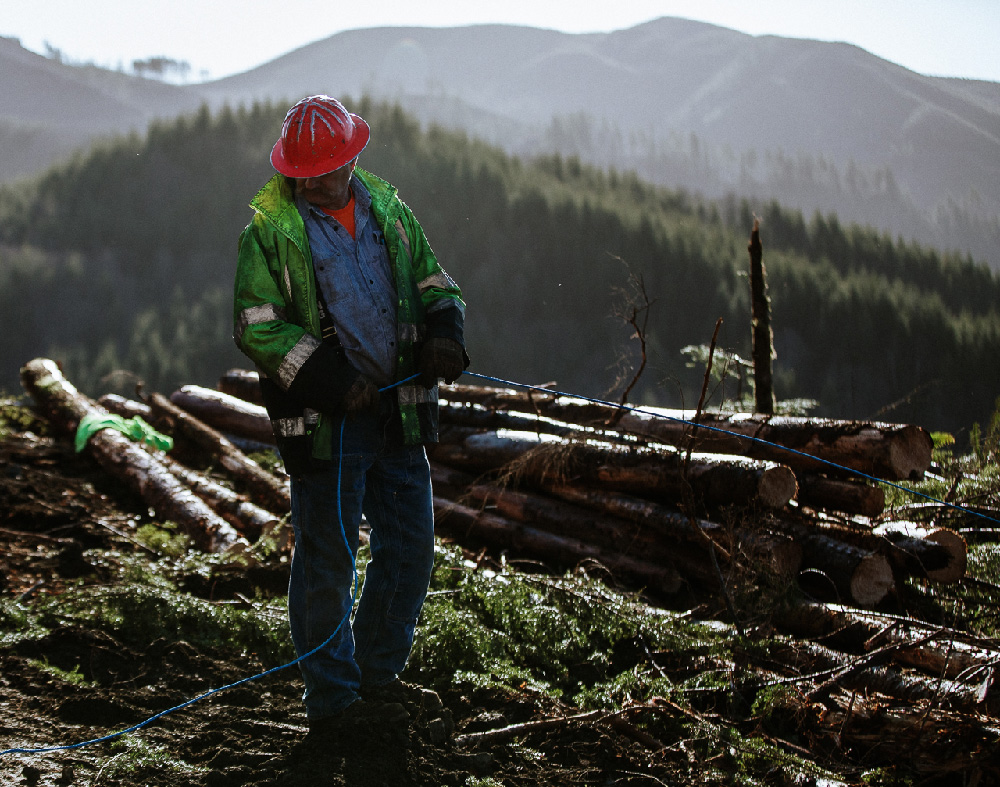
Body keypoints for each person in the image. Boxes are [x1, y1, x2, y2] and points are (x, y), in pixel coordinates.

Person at [232, 95, 468, 735]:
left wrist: (444, 329)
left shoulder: (388, 210)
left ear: (353, 156)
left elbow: (434, 282)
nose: (316, 182)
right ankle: (334, 704)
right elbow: (258, 328)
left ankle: (376, 677)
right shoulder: (269, 232)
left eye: (328, 168)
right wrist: (330, 382)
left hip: (401, 412)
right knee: (329, 561)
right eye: (305, 172)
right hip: (327, 425)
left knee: (411, 549)